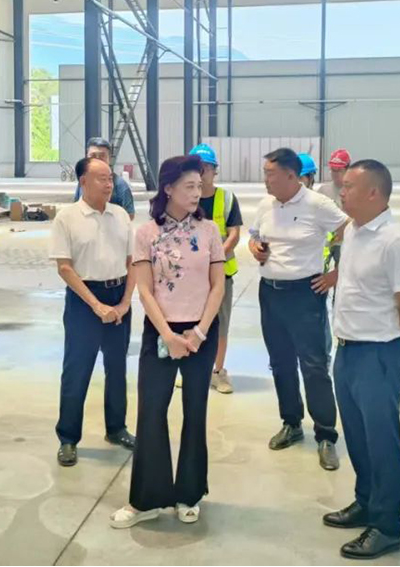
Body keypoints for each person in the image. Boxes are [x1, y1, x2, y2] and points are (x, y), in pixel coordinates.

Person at [110, 154, 226, 529]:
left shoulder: (209, 231)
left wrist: (200, 333)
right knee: (151, 412)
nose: (197, 192)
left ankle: (189, 495)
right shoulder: (146, 233)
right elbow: (145, 290)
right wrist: (169, 336)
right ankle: (146, 500)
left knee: (195, 412)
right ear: (169, 188)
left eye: (199, 186)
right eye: (189, 186)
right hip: (161, 332)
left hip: (200, 333)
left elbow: (218, 286)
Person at [323, 159, 400, 560]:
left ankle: (386, 526)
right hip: (347, 350)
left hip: (378, 354)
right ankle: (365, 501)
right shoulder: (353, 231)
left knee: (382, 443)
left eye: (349, 186)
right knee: (358, 438)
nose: (341, 191)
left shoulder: (395, 241)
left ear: (373, 193)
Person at [249, 148, 346, 471]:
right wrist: (255, 248)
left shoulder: (318, 204)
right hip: (270, 293)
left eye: (270, 174)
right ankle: (291, 423)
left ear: (291, 176)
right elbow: (253, 236)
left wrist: (336, 274)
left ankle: (326, 435)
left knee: (314, 365)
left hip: (306, 295)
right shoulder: (266, 204)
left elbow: (353, 231)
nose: (265, 180)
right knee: (281, 363)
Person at [49, 157, 136, 467]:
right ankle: (68, 438)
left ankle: (117, 428)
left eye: (110, 178)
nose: (109, 183)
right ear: (83, 182)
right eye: (101, 178)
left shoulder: (121, 216)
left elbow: (132, 263)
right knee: (77, 370)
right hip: (83, 301)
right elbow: (64, 267)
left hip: (118, 295)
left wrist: (125, 302)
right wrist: (95, 305)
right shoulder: (67, 218)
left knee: (117, 368)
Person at [189, 143, 240, 394]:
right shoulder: (184, 198)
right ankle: (193, 369)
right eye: (196, 168)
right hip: (190, 277)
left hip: (221, 276)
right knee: (191, 321)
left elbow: (234, 234)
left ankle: (218, 372)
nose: (201, 173)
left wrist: (215, 260)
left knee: (219, 324)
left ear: (214, 170)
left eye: (205, 168)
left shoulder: (226, 198)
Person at [73, 137, 135, 219]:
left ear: (109, 159)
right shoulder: (83, 182)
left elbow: (130, 214)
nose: (97, 160)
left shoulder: (120, 185)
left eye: (102, 156)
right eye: (93, 156)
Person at [317, 149, 352, 266]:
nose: (335, 174)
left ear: (347, 169)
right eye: (333, 170)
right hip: (325, 242)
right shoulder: (323, 190)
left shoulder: (354, 191)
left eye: (339, 170)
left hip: (345, 242)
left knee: (342, 273)